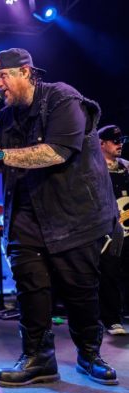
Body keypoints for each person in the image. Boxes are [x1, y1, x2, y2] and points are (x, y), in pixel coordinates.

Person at [0, 48, 122, 387]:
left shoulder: (62, 98)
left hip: (72, 215)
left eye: (3, 76)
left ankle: (89, 355)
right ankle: (38, 359)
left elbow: (56, 152)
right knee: (30, 289)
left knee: (80, 289)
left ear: (25, 72)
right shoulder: (7, 115)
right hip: (25, 215)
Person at [98, 124, 129, 335]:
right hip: (107, 230)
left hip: (127, 228)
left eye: (121, 141)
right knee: (109, 272)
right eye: (115, 141)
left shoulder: (126, 166)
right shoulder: (93, 167)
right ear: (101, 143)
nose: (120, 144)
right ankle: (111, 319)